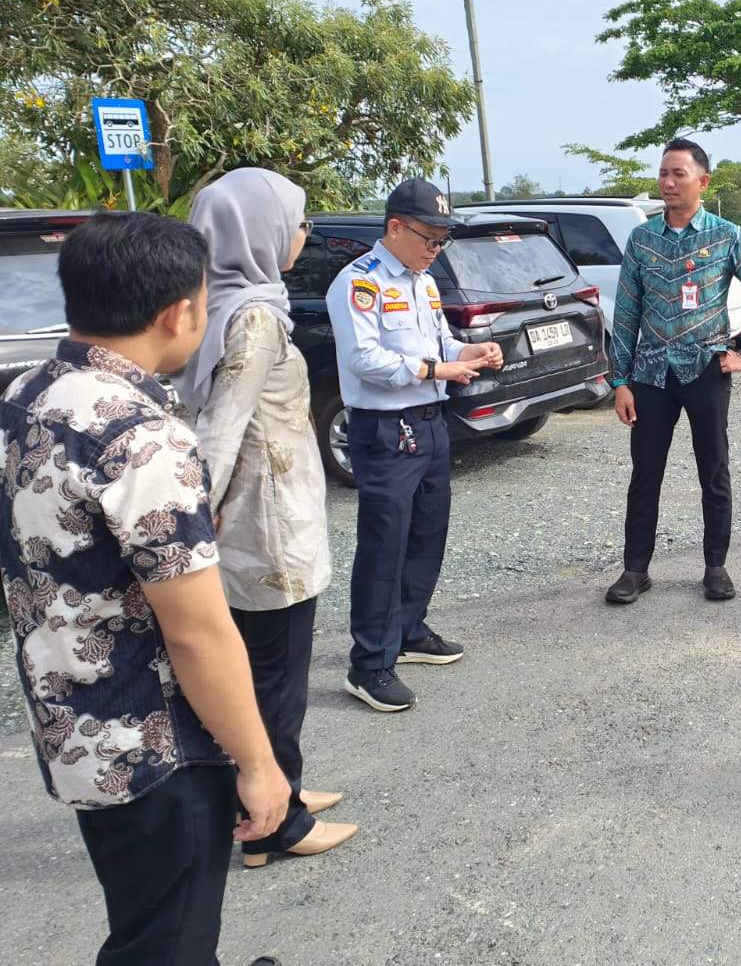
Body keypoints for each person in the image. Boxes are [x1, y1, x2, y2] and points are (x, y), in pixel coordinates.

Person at [1, 212, 290, 963]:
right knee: (166, 940)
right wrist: (259, 765)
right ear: (179, 313)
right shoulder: (141, 435)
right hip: (156, 741)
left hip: (73, 719)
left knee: (145, 909)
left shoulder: (29, 392)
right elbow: (196, 631)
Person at [177, 169, 358, 868]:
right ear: (258, 230)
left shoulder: (220, 302)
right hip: (267, 527)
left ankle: (278, 790)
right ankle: (274, 828)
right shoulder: (252, 316)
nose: (303, 233)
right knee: (274, 674)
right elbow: (218, 433)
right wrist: (195, 517)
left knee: (257, 669)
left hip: (260, 517)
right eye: (296, 221)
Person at [327, 179, 503, 713]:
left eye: (442, 239)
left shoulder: (422, 283)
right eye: (428, 237)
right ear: (395, 228)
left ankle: (408, 630)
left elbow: (438, 338)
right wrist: (435, 368)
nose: (435, 248)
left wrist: (470, 351)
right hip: (384, 428)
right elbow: (363, 359)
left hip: (429, 421)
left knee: (428, 530)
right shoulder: (360, 283)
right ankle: (369, 664)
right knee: (385, 544)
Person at [605, 138, 741, 604]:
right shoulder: (642, 239)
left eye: (678, 174)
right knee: (645, 473)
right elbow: (625, 314)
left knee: (714, 470)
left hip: (705, 369)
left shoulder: (726, 236)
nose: (668, 182)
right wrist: (619, 381)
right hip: (650, 375)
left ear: (702, 182)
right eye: (664, 173)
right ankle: (635, 570)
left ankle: (716, 566)